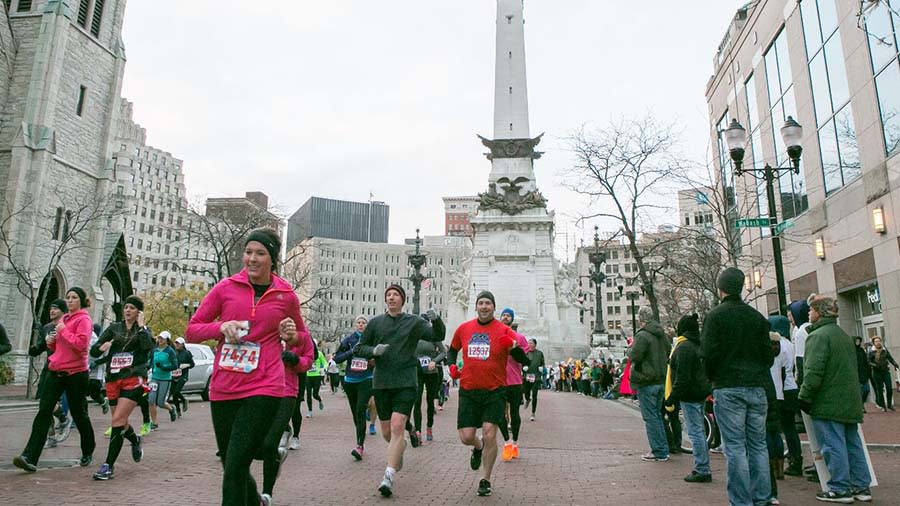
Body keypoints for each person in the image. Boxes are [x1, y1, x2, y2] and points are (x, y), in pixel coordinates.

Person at [186, 228, 309, 506]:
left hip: (264, 386)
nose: (252, 259)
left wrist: (290, 335)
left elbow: (302, 338)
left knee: (234, 467)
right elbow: (192, 330)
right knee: (233, 464)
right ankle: (257, 502)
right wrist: (221, 326)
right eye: (248, 252)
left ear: (272, 259)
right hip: (225, 385)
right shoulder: (226, 288)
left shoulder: (285, 295)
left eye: (260, 253)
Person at [354, 283, 446, 498]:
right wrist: (374, 350)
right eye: (389, 295)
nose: (392, 298)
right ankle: (398, 452)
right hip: (382, 383)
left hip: (406, 382)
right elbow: (359, 348)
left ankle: (388, 475)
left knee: (397, 426)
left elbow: (437, 335)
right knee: (388, 432)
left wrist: (436, 319)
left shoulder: (414, 322)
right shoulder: (376, 323)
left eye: (396, 295)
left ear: (402, 300)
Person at [701, 267, 773, 506]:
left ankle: (741, 501)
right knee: (758, 445)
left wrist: (712, 379)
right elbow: (768, 355)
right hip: (756, 385)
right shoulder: (757, 317)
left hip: (728, 386)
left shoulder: (715, 317)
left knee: (734, 447)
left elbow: (708, 355)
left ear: (721, 289)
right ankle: (762, 497)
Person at [447, 291, 529, 497]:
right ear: (476, 307)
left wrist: (512, 345)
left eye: (488, 303)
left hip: (495, 390)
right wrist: (451, 366)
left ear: (494, 307)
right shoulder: (464, 328)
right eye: (481, 303)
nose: (484, 306)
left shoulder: (504, 330)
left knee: (490, 431)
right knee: (466, 436)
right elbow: (452, 349)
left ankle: (486, 478)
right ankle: (478, 446)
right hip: (468, 390)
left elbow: (524, 360)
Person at [799, 295, 873, 503]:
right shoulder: (843, 335)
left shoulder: (818, 336)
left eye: (811, 309)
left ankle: (840, 487)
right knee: (853, 443)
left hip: (828, 400)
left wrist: (804, 397)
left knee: (833, 444)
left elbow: (813, 371)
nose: (809, 313)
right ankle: (861, 486)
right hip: (849, 400)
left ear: (819, 312)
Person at [14, 287, 96, 472]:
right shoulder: (64, 319)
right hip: (56, 370)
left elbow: (82, 346)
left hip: (76, 373)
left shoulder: (84, 320)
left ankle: (88, 450)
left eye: (74, 297)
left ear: (82, 301)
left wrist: (64, 331)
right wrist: (52, 341)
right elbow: (61, 346)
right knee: (44, 411)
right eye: (68, 297)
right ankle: (29, 457)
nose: (70, 300)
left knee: (78, 413)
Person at [89, 295, 154, 480]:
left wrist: (142, 326)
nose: (127, 311)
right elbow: (94, 350)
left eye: (132, 308)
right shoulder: (114, 328)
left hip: (133, 378)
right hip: (113, 378)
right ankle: (134, 439)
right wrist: (101, 348)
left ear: (138, 312)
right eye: (126, 307)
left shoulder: (143, 331)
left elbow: (147, 347)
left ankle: (108, 466)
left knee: (117, 420)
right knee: (121, 421)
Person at [257, 336, 313, 504]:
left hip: (286, 391)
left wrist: (296, 360)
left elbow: (309, 359)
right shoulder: (262, 327)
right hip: (258, 390)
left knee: (269, 444)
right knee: (249, 446)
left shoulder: (299, 332)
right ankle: (277, 455)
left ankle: (266, 494)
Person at [666, 313, 712, 483]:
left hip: (690, 394)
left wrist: (671, 397)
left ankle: (702, 468)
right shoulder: (697, 345)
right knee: (698, 430)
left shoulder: (684, 348)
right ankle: (703, 466)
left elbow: (682, 377)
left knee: (696, 432)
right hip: (699, 392)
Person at [628, 306, 671, 462]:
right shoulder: (662, 335)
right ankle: (664, 448)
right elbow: (668, 351)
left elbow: (634, 356)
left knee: (651, 417)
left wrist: (629, 349)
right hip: (661, 379)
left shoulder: (643, 336)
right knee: (658, 416)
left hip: (646, 380)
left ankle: (659, 451)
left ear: (641, 319)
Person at [334, 315, 377, 460]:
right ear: (355, 325)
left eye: (363, 323)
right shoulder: (349, 340)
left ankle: (359, 446)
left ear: (367, 325)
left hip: (366, 379)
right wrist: (351, 352)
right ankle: (360, 434)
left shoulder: (371, 339)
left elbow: (379, 356)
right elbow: (337, 358)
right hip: (350, 380)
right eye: (358, 322)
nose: (361, 325)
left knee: (360, 409)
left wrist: (373, 361)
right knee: (355, 413)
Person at [769, 315, 802, 478]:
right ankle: (796, 459)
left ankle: (781, 463)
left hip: (781, 390)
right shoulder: (789, 344)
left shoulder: (777, 345)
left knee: (778, 429)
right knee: (790, 429)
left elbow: (775, 372)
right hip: (791, 387)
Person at [498, 307, 528, 462]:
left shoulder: (520, 338)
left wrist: (513, 347)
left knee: (514, 414)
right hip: (498, 381)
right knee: (500, 414)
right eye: (503, 315)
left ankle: (515, 442)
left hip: (515, 380)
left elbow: (524, 359)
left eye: (508, 315)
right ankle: (506, 442)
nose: (505, 317)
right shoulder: (494, 335)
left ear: (512, 319)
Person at [413, 337, 446, 444]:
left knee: (430, 402)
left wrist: (434, 361)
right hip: (417, 372)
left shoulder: (432, 335)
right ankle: (418, 431)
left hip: (431, 373)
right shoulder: (413, 334)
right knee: (417, 401)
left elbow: (443, 352)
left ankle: (429, 427)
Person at [148, 331, 179, 428]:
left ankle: (171, 409)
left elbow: (175, 365)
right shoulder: (154, 350)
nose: (160, 340)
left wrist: (163, 366)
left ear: (167, 340)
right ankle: (154, 422)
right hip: (154, 378)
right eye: (159, 338)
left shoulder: (170, 351)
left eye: (163, 338)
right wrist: (146, 367)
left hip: (165, 379)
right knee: (151, 400)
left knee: (160, 403)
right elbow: (151, 362)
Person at [868, 336, 898, 411]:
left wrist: (895, 364)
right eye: (876, 341)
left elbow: (890, 358)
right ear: (874, 343)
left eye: (879, 341)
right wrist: (875, 365)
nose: (878, 342)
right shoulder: (871, 352)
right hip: (876, 372)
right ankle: (882, 405)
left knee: (889, 387)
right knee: (880, 389)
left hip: (885, 371)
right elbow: (868, 361)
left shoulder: (884, 350)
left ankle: (889, 404)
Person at [87, 324, 110, 414]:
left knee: (94, 392)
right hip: (85, 368)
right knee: (82, 393)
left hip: (96, 371)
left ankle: (103, 402)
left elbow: (106, 356)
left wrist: (97, 363)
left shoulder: (99, 340)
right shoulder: (85, 335)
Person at [170, 337, 195, 418]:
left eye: (178, 343)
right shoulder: (174, 352)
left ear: (182, 344)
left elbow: (192, 364)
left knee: (176, 392)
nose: (177, 345)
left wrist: (186, 365)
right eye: (176, 343)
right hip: (174, 375)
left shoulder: (187, 353)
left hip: (183, 375)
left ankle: (184, 400)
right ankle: (178, 412)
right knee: (174, 395)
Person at [788, 299, 810, 387]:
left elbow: (800, 361)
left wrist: (799, 382)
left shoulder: (800, 332)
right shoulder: (811, 327)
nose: (790, 319)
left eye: (791, 315)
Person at [522, 338, 544, 421]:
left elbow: (542, 363)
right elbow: (522, 362)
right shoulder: (525, 353)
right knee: (526, 391)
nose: (529, 345)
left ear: (535, 344)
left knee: (535, 394)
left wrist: (541, 368)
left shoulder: (539, 353)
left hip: (536, 376)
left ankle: (533, 413)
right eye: (529, 343)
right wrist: (523, 368)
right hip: (527, 376)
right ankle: (528, 399)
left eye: (531, 343)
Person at [305, 344, 326, 417]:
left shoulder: (319, 353)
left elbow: (325, 363)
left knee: (315, 394)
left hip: (317, 376)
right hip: (308, 376)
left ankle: (319, 400)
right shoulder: (305, 353)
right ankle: (310, 411)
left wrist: (323, 369)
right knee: (308, 394)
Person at [854, 337, 871, 412]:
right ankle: (861, 406)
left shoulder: (861, 350)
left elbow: (865, 361)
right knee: (860, 391)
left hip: (864, 373)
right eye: (856, 341)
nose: (858, 342)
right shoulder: (852, 350)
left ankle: (862, 403)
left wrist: (867, 371)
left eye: (859, 341)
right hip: (857, 373)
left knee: (866, 390)